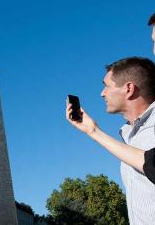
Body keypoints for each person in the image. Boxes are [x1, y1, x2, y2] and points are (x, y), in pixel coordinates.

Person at [66, 57, 155, 224]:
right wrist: (92, 130)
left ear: (129, 88)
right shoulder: (129, 134)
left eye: (106, 86)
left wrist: (94, 132)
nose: (102, 93)